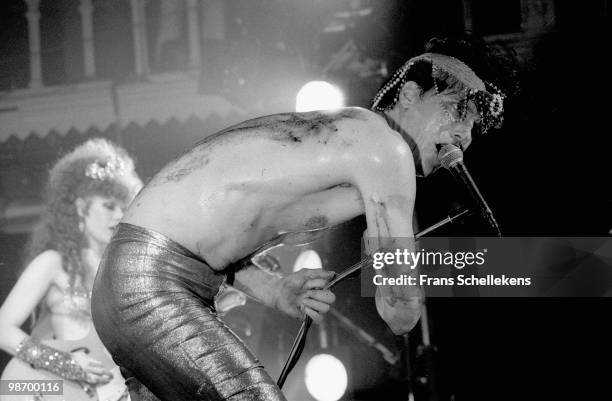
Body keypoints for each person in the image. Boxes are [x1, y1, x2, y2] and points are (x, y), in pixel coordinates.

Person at [91, 35, 518, 401]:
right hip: (152, 284)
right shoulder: (384, 148)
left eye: (474, 126)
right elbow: (399, 312)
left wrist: (276, 290)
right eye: (456, 111)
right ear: (409, 94)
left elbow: (213, 228)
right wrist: (466, 269)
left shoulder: (348, 145)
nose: (465, 134)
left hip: (137, 280)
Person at [0, 138, 143, 399]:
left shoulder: (128, 268)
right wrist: (63, 363)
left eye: (124, 207)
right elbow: (2, 328)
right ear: (81, 207)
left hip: (119, 388)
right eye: (109, 206)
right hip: (61, 390)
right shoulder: (53, 262)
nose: (118, 215)